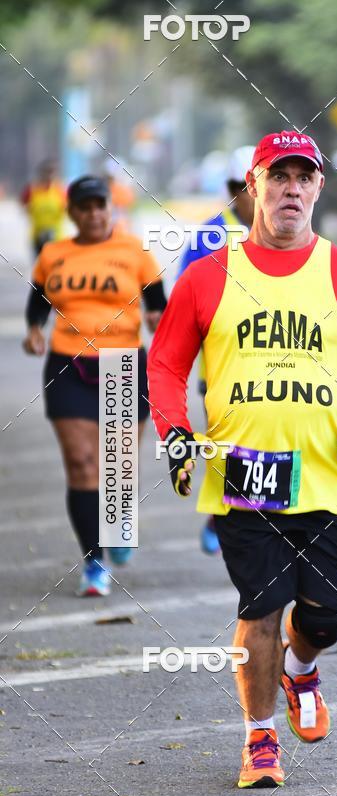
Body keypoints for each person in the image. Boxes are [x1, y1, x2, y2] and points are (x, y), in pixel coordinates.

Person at [148, 130, 337, 788]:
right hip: (245, 472)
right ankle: (259, 739)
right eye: (276, 176)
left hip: (330, 475)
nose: (290, 188)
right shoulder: (208, 276)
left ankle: (302, 667)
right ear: (252, 186)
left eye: (302, 177)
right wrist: (174, 431)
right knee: (261, 607)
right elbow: (167, 364)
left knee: (322, 617)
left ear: (317, 186)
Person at [23, 175, 167, 597]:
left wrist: (161, 323)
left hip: (122, 363)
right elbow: (38, 305)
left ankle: (119, 523)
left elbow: (159, 306)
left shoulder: (134, 252)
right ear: (71, 213)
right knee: (83, 463)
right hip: (68, 363)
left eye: (99, 205)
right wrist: (34, 330)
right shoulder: (54, 254)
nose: (93, 214)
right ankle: (93, 562)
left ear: (111, 207)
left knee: (117, 465)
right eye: (84, 207)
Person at [178, 146, 255, 555]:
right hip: (222, 366)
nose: (258, 195)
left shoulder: (286, 230)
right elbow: (186, 302)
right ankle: (221, 515)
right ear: (232, 190)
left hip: (282, 361)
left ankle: (257, 518)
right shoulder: (209, 236)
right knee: (228, 444)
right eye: (249, 187)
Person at [20, 160, 66, 256]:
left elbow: (68, 208)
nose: (50, 175)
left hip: (57, 237)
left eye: (52, 172)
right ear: (41, 173)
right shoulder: (32, 189)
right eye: (47, 171)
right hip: (37, 236)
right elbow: (23, 204)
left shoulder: (60, 189)